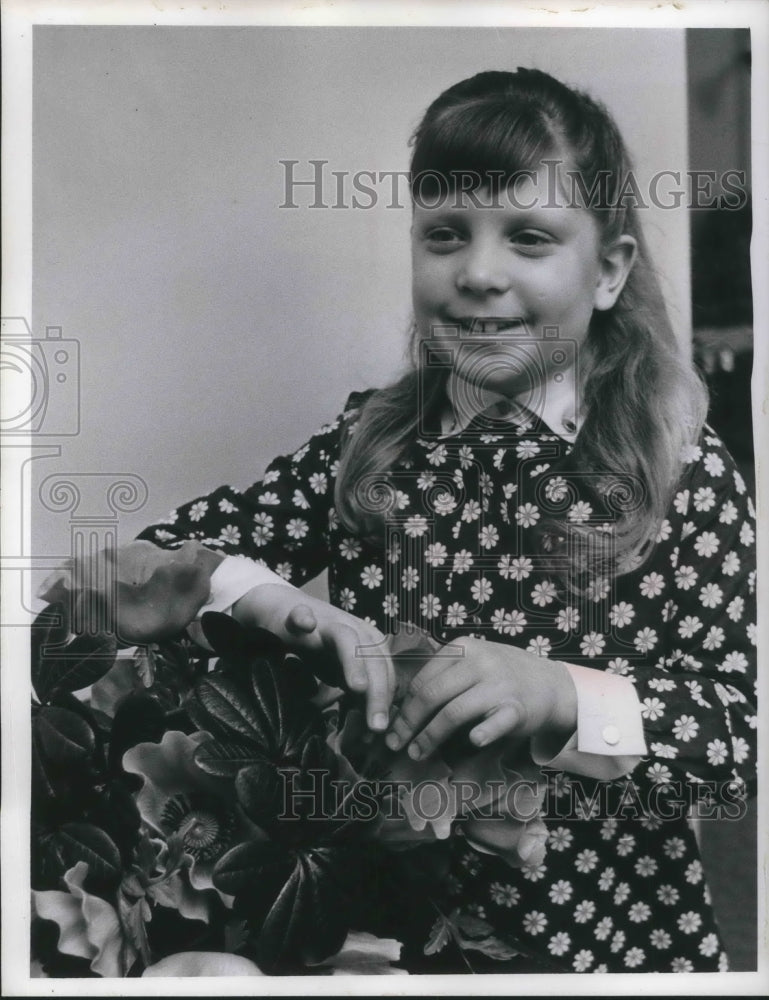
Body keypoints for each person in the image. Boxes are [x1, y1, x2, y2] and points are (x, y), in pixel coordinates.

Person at [69, 69, 760, 972]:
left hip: (604, 935)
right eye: (444, 235)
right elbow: (156, 559)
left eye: (528, 237)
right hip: (390, 935)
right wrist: (285, 610)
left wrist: (556, 692)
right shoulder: (373, 443)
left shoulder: (679, 470)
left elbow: (732, 737)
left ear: (609, 272)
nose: (476, 273)